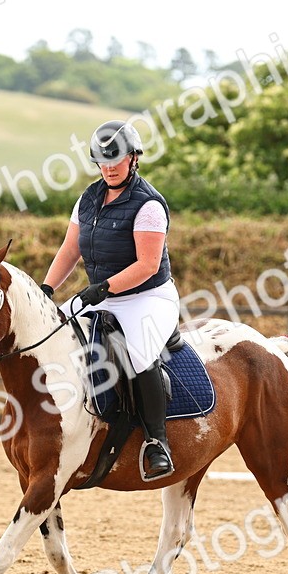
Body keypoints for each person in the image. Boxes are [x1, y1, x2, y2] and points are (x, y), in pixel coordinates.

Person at [41, 120, 180, 481]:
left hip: (147, 296)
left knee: (138, 351)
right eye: (103, 162)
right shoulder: (87, 199)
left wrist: (102, 289)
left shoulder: (148, 204)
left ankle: (156, 443)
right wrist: (46, 290)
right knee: (52, 334)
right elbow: (70, 250)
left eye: (117, 161)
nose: (110, 168)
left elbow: (148, 266)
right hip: (102, 294)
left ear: (134, 159)